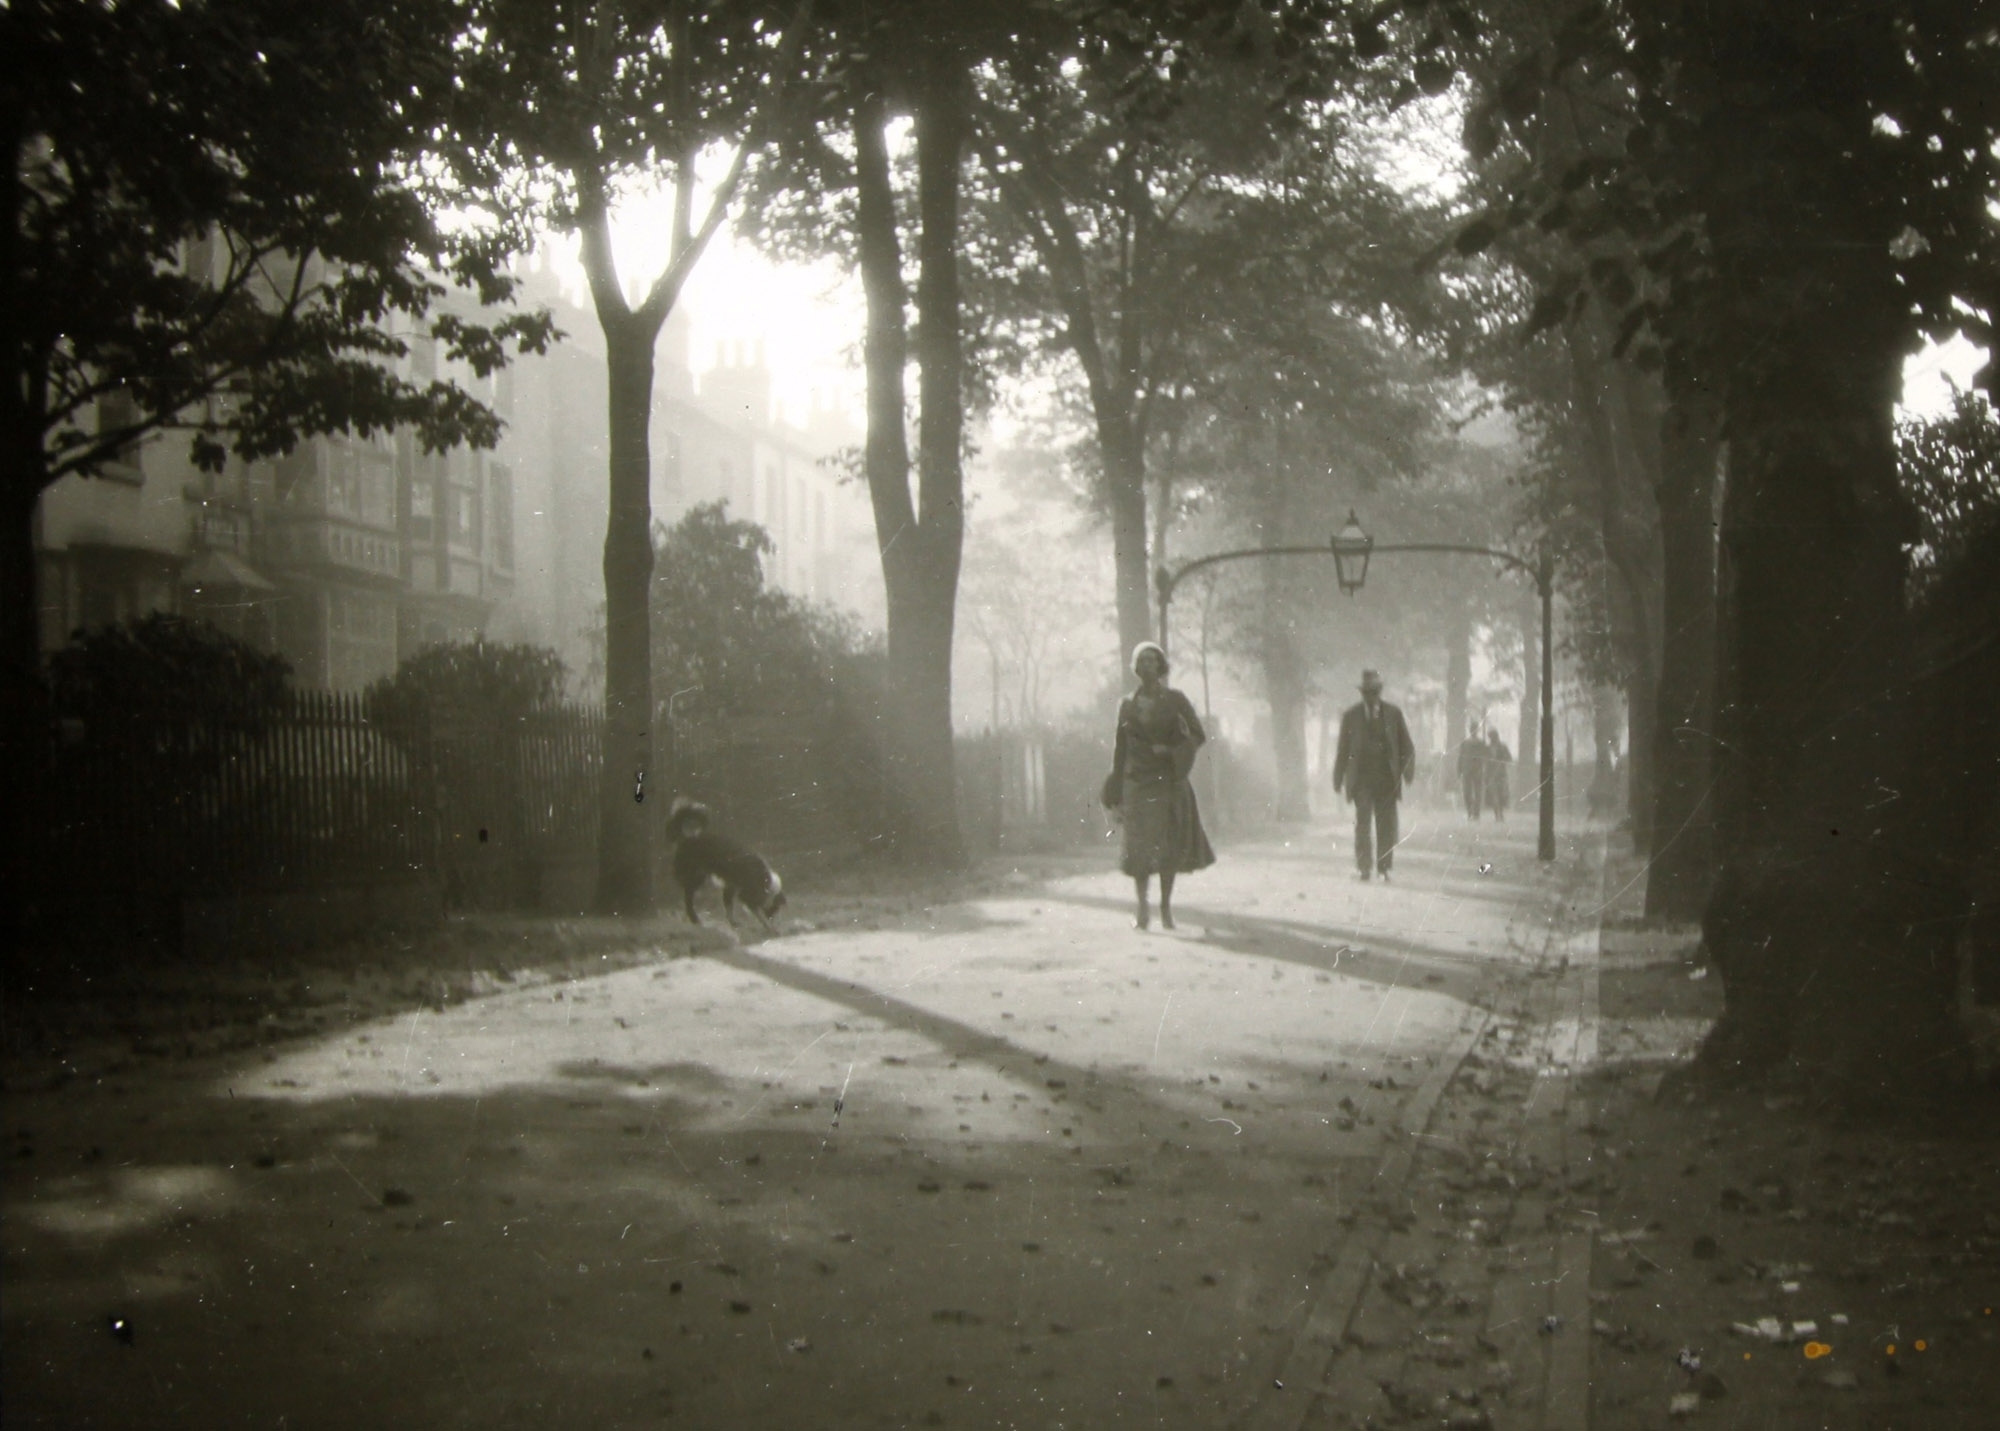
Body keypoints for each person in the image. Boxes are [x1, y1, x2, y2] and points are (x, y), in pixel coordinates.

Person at [1105, 641, 1214, 929]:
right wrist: (1115, 786)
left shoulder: (1176, 700)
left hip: (1167, 781)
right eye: (1142, 661)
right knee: (1139, 846)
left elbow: (1198, 734)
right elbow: (1120, 747)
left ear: (1161, 666)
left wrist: (1171, 751)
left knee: (1167, 847)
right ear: (1136, 668)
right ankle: (1142, 907)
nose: (1148, 666)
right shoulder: (1126, 705)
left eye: (1153, 661)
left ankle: (1165, 908)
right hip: (1137, 783)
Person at [1332, 670, 1416, 881]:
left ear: (1379, 692)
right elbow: (1342, 749)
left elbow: (1406, 745)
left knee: (1385, 825)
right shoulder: (1350, 717)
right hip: (1361, 780)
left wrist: (1407, 772)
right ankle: (1364, 867)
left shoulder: (1393, 714)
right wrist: (1338, 776)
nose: (1370, 697)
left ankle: (1384, 868)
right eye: (1367, 693)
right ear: (1362, 694)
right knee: (1362, 823)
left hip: (1386, 779)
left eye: (1374, 692)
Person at [1455, 722, 1486, 820]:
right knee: (1469, 792)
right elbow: (1461, 757)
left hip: (1474, 771)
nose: (1474, 731)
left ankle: (1475, 813)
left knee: (1475, 792)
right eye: (1473, 729)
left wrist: (1459, 770)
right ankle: (1471, 812)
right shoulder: (1465, 742)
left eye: (1475, 729)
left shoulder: (1480, 743)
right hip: (1469, 771)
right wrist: (1459, 770)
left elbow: (1484, 757)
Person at [1484, 726, 1512, 820]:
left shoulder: (1503, 747)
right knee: (1494, 794)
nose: (1492, 739)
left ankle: (1500, 813)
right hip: (1491, 774)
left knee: (1500, 794)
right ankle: (1497, 814)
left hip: (1501, 774)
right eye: (1490, 737)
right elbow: (1484, 761)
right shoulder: (1487, 748)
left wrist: (1501, 761)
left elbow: (1509, 758)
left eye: (1492, 736)